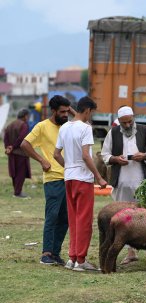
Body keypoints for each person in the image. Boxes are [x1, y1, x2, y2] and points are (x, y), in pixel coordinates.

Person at [54, 96, 107, 271]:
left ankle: (72, 257)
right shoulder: (86, 128)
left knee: (74, 219)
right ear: (88, 110)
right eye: (92, 113)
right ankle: (81, 260)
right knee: (83, 220)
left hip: (68, 177)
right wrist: (99, 177)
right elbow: (86, 155)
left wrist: (69, 167)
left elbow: (56, 154)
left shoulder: (64, 128)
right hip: (82, 179)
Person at [101, 105, 146, 264]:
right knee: (123, 218)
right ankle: (130, 252)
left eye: (130, 122)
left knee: (145, 214)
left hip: (142, 182)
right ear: (119, 121)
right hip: (121, 182)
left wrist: (145, 155)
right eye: (124, 123)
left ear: (133, 118)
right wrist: (115, 159)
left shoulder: (144, 130)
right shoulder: (112, 133)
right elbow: (104, 155)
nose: (128, 125)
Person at [21, 95, 73, 265]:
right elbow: (25, 144)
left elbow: (85, 121)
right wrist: (42, 160)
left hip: (70, 177)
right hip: (53, 178)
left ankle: (56, 253)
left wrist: (71, 111)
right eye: (63, 112)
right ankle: (46, 253)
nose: (66, 114)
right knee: (52, 215)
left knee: (65, 218)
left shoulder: (68, 127)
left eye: (68, 111)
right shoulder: (42, 126)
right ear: (53, 111)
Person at [4, 108, 31, 198]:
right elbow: (22, 138)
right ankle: (18, 192)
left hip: (11, 153)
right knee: (21, 173)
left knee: (14, 173)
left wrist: (8, 147)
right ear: (25, 116)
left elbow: (5, 138)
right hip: (21, 153)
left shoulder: (10, 124)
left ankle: (16, 190)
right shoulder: (24, 125)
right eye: (28, 116)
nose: (28, 118)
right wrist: (13, 146)